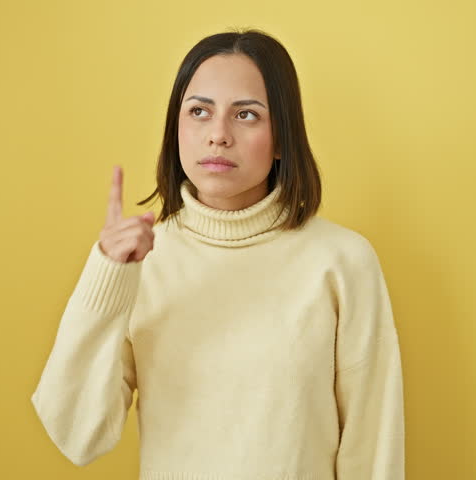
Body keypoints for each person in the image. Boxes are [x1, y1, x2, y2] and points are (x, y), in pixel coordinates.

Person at [30, 28, 406, 479]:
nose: (218, 135)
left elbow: (372, 445)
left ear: (283, 138)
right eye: (199, 112)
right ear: (177, 130)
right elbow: (77, 435)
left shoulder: (342, 262)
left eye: (246, 115)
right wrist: (105, 275)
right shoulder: (142, 263)